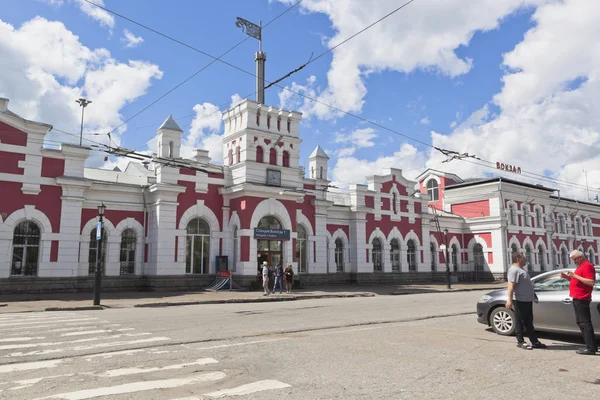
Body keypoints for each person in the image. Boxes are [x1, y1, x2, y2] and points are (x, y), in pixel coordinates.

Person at [506, 252, 546, 350]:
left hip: (527, 300)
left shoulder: (520, 269)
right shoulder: (514, 270)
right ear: (519, 259)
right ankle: (520, 341)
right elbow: (511, 287)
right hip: (520, 300)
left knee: (528, 321)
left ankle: (534, 341)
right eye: (524, 258)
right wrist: (509, 300)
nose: (525, 260)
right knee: (520, 321)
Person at [561, 250, 597, 355]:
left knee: (585, 323)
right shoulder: (581, 266)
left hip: (582, 298)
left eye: (575, 259)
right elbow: (578, 281)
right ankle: (589, 345)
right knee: (580, 322)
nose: (575, 262)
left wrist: (575, 275)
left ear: (580, 257)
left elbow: (590, 282)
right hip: (577, 297)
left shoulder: (587, 266)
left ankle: (591, 348)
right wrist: (568, 277)